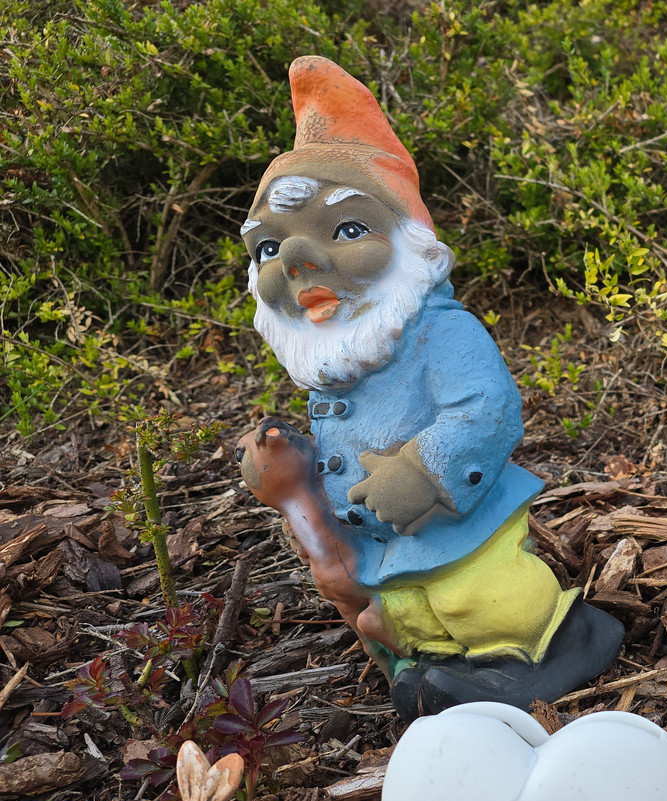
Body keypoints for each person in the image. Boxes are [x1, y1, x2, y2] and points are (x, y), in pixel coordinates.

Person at [239, 56, 621, 720]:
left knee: (480, 598)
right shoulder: (341, 359)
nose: (296, 263)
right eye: (270, 248)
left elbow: (487, 407)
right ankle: (449, 669)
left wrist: (427, 470)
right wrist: (289, 464)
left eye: (348, 230)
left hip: (460, 527)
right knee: (413, 609)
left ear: (409, 240)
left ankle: (549, 646)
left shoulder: (441, 332)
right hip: (388, 548)